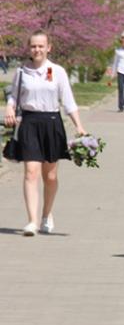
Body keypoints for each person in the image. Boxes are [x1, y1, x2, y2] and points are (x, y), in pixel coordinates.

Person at [4, 31, 87, 236]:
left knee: (50, 176)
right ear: (29, 48)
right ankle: (31, 221)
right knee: (31, 172)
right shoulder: (22, 72)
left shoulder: (57, 71)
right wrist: (9, 108)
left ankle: (46, 215)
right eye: (33, 46)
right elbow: (14, 96)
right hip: (29, 123)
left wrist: (79, 126)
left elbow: (68, 101)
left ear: (49, 47)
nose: (37, 50)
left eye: (41, 46)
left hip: (51, 123)